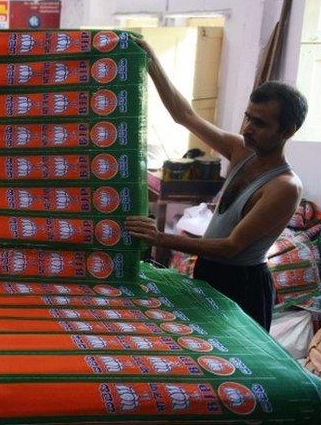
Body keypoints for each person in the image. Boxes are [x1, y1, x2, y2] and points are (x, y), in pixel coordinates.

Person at [126, 39, 307, 331]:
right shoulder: (241, 151)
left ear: (287, 131)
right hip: (210, 271)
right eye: (247, 117)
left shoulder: (284, 186)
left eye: (259, 123)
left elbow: (230, 247)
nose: (247, 127)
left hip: (242, 284)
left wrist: (160, 238)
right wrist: (150, 59)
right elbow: (183, 115)